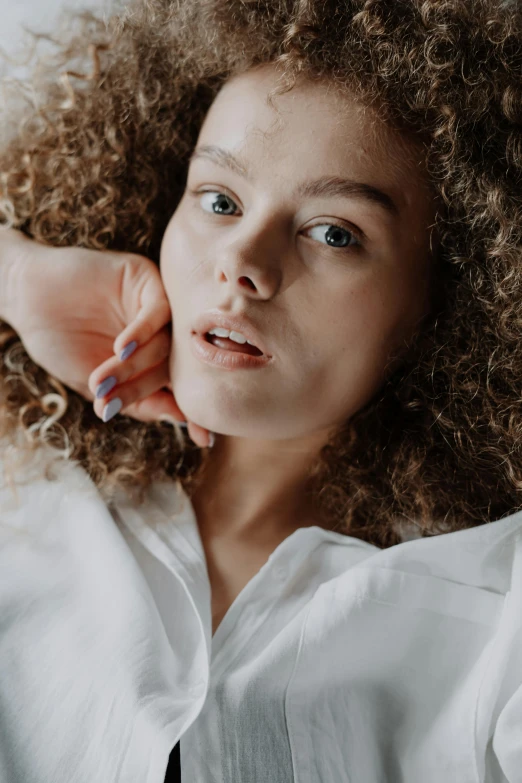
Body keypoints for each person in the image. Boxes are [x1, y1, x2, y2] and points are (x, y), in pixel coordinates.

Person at [0, 0, 521, 781]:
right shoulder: (27, 478)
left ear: (446, 302)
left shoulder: (492, 609)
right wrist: (17, 275)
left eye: (334, 232)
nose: (244, 259)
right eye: (219, 200)